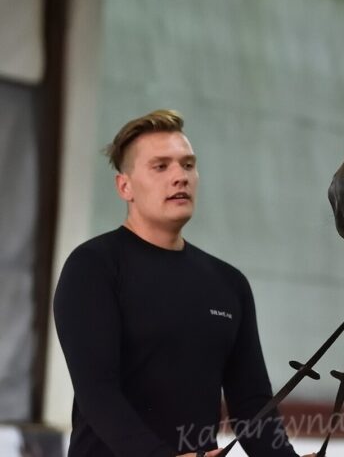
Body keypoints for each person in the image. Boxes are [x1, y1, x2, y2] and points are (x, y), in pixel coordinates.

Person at [54, 110, 298, 457]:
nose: (179, 177)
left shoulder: (229, 284)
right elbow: (98, 394)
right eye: (161, 166)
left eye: (187, 165)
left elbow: (251, 404)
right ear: (125, 186)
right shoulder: (93, 267)